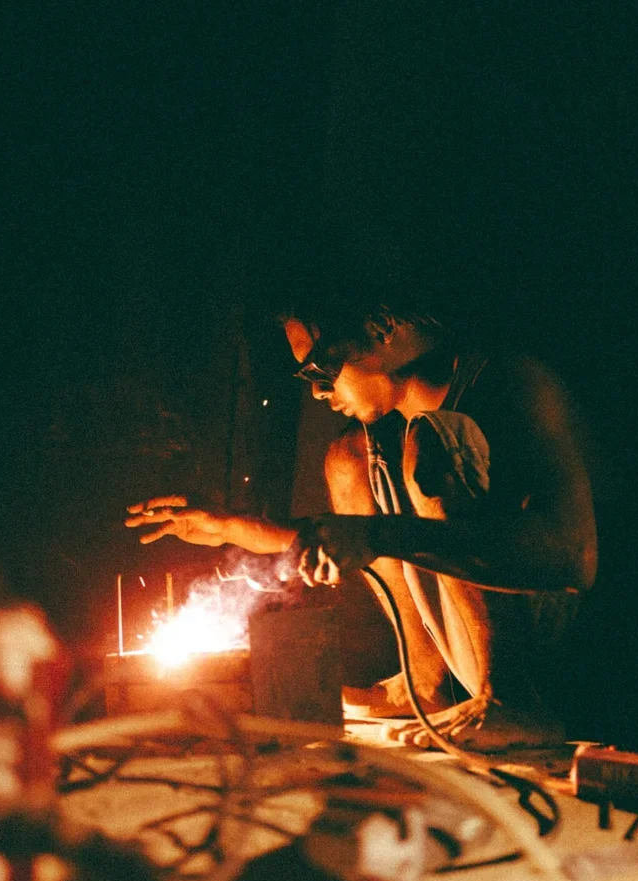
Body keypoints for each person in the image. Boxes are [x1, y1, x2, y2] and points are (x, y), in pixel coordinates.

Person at [126, 292, 597, 751]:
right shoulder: (381, 436)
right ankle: (424, 678)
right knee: (348, 457)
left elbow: (575, 558)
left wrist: (375, 535)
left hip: (563, 656)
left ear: (384, 330)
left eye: (321, 367)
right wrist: (232, 527)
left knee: (431, 440)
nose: (317, 390)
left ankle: (512, 699)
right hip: (470, 645)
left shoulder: (511, 383)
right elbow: (355, 537)